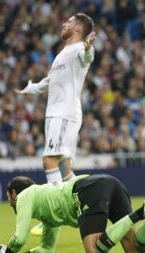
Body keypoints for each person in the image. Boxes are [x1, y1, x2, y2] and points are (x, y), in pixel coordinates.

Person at [15, 13, 95, 236]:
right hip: (63, 114)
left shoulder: (79, 49)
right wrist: (28, 89)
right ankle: (85, 207)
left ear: (78, 28)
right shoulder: (62, 54)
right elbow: (48, 82)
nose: (63, 24)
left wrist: (88, 49)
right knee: (65, 167)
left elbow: (87, 56)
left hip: (63, 113)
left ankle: (53, 214)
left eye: (69, 22)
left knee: (49, 160)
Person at [0, 174, 145, 253]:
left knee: (94, 252)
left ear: (14, 193)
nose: (10, 202)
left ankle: (141, 212)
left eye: (9, 197)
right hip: (109, 184)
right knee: (135, 251)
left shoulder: (25, 196)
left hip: (88, 190)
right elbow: (46, 251)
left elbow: (19, 237)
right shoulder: (46, 211)